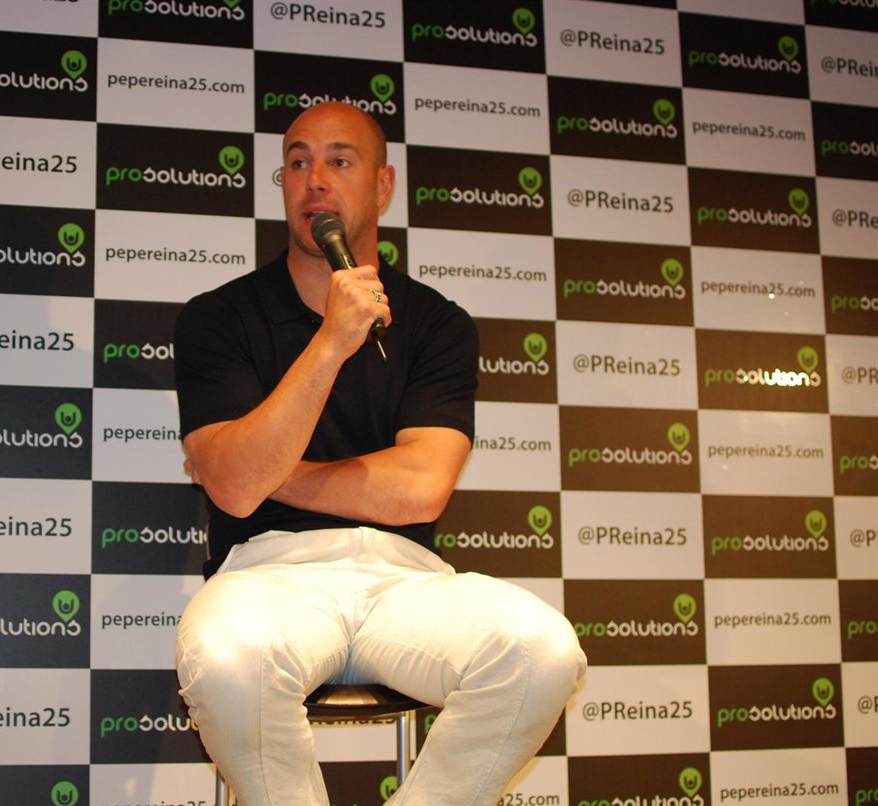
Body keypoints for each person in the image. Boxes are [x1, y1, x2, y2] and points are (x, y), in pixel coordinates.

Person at [172, 101, 585, 806]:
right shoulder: (219, 316)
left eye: (339, 160)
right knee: (227, 658)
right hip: (269, 574)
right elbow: (238, 490)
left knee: (541, 654)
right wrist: (331, 341)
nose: (314, 179)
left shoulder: (437, 323)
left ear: (383, 185)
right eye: (297, 161)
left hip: (405, 579)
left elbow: (419, 489)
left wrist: (262, 471)